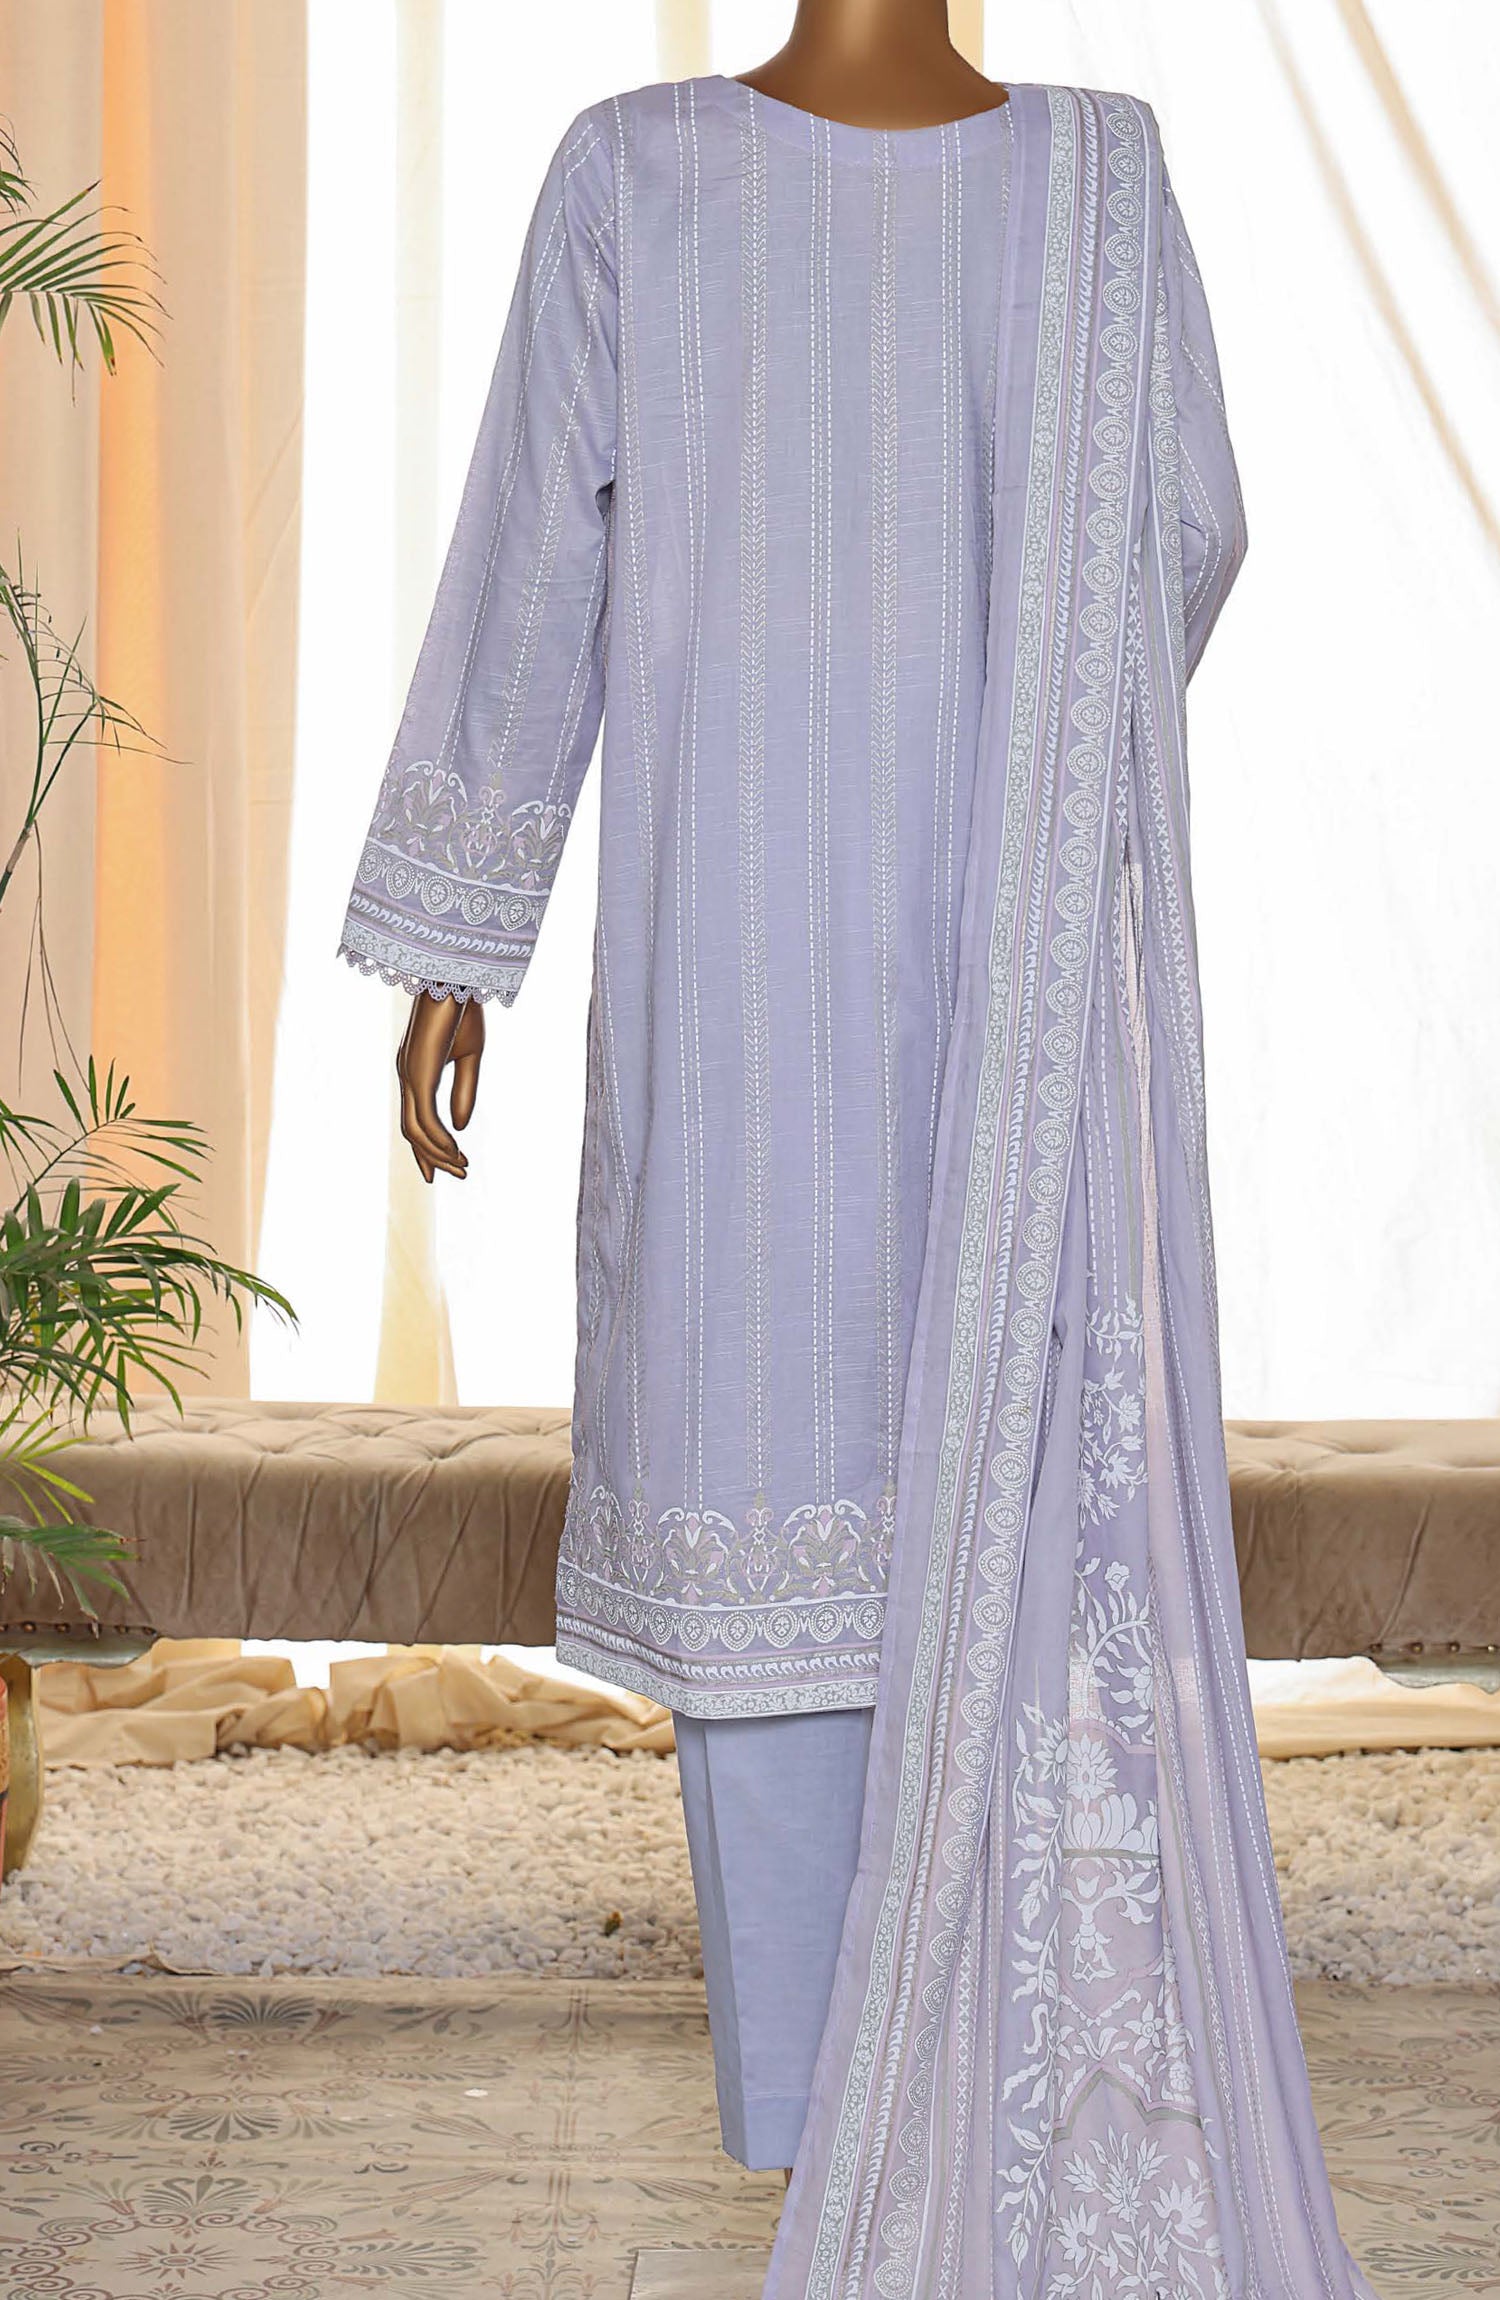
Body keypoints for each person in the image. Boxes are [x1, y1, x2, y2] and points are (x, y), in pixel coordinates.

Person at [338, 9, 1381, 2293]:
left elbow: (534, 574)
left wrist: (457, 952)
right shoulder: (870, 182)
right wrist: (464, 933)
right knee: (852, 1514)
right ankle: (880, 2124)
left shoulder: (743, 177)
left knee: (825, 1481)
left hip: (780, 974)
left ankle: (850, 2118)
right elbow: (1177, 533)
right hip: (952, 978)